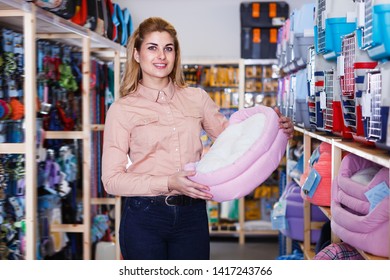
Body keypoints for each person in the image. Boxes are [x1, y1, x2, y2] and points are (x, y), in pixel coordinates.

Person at [101, 17, 294, 260]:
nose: (161, 56)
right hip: (144, 216)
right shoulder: (122, 109)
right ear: (137, 55)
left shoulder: (196, 98)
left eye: (168, 48)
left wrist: (276, 130)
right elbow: (112, 180)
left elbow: (233, 144)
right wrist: (169, 182)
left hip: (192, 214)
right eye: (152, 48)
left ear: (175, 54)